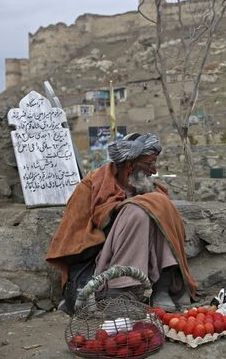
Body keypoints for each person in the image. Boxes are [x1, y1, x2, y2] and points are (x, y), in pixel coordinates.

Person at [46, 133, 197, 313]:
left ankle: (162, 287)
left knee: (158, 205)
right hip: (100, 265)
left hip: (144, 263)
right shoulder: (90, 187)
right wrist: (120, 219)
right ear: (130, 165)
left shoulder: (149, 189)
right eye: (149, 164)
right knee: (139, 211)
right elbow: (72, 241)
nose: (154, 171)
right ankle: (119, 290)